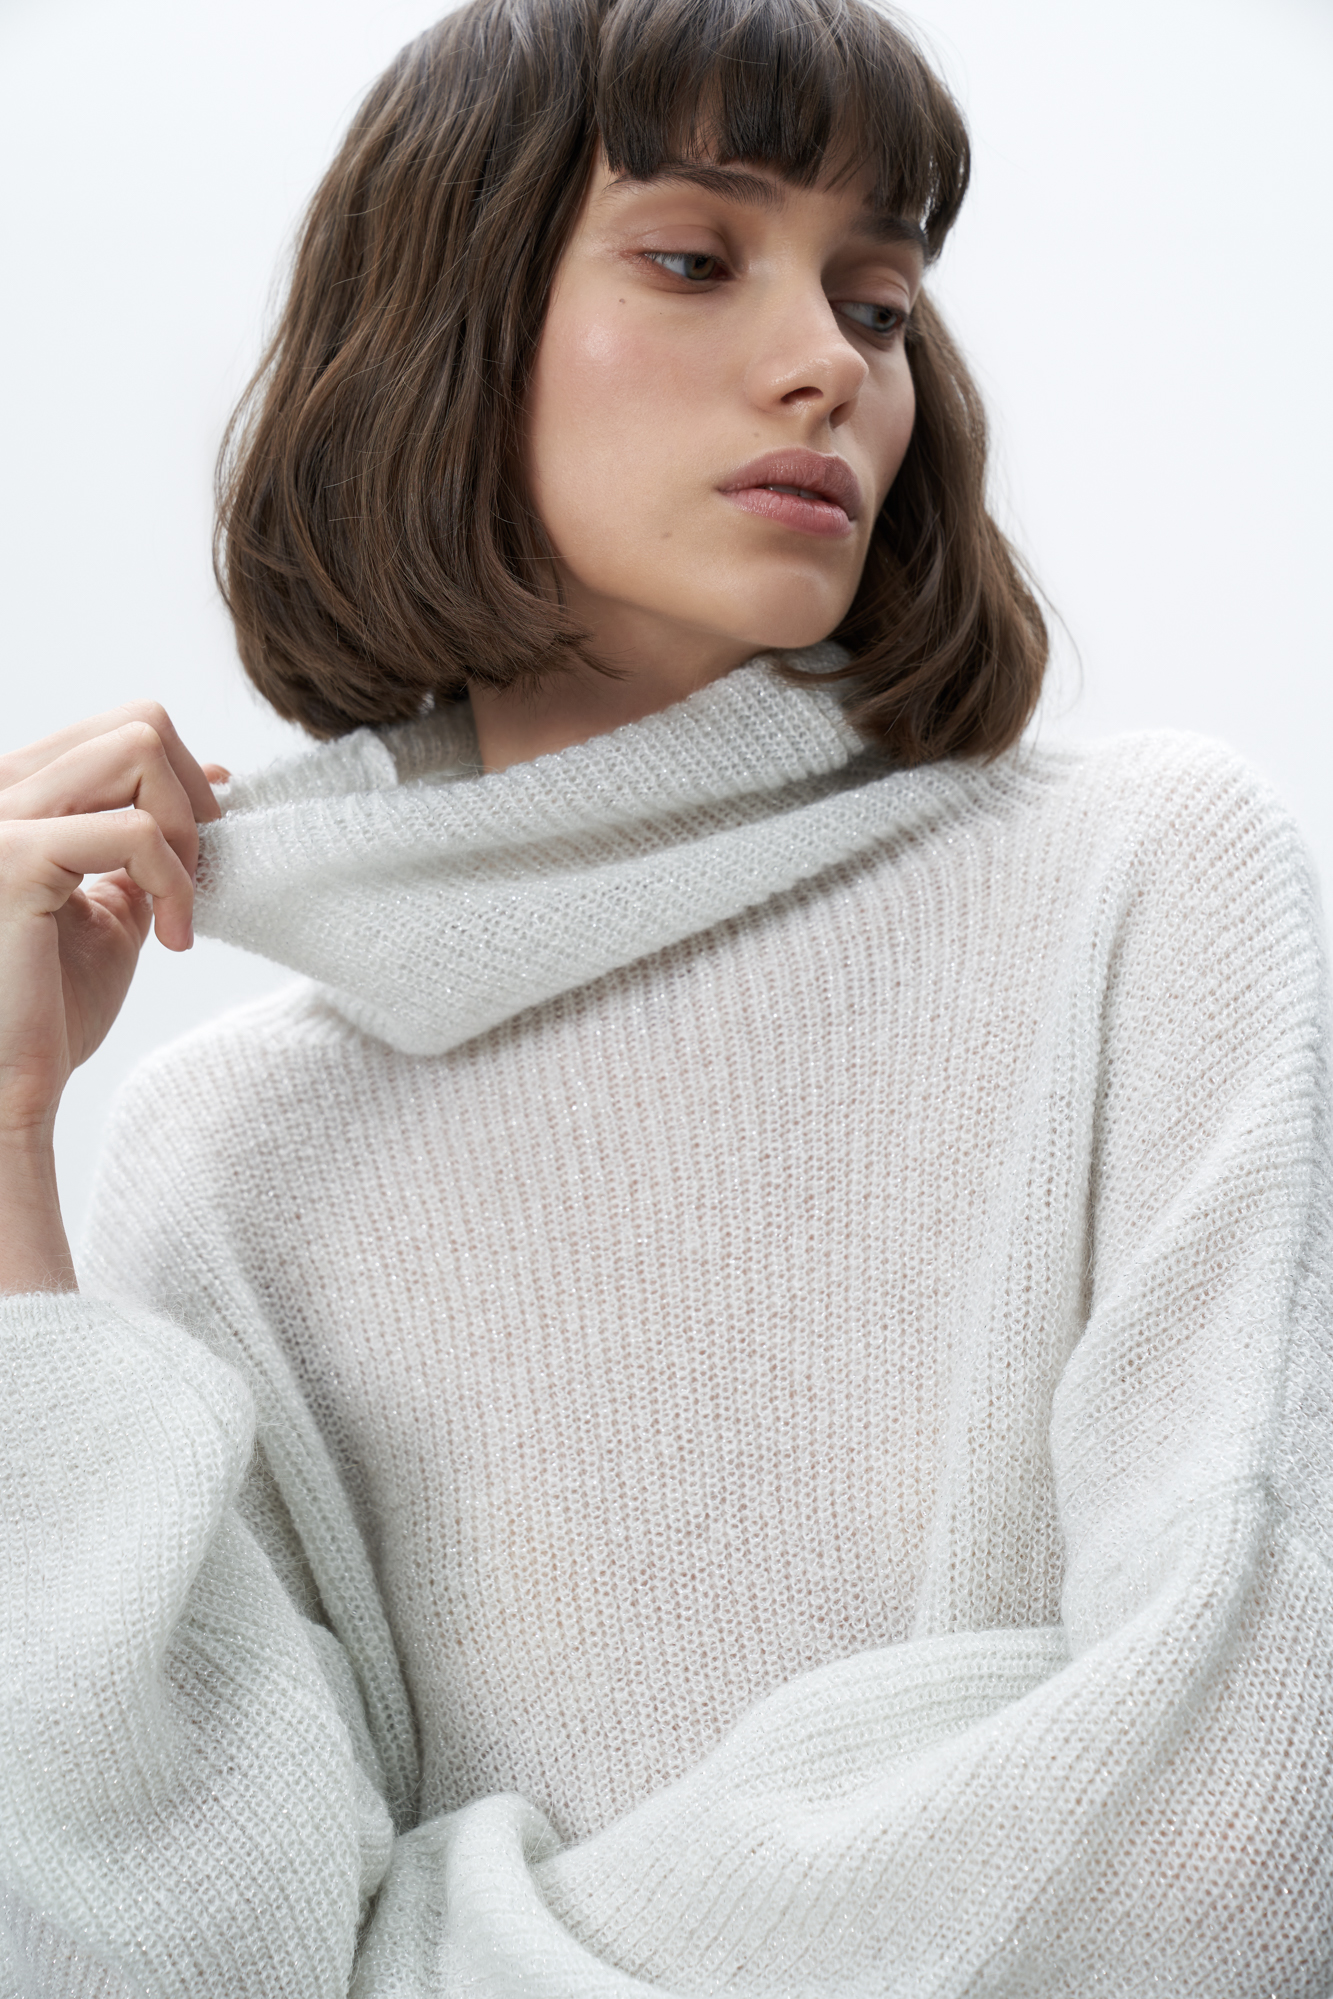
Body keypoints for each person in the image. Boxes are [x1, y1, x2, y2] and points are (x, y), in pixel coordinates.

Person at [2, 0, 1331, 1990]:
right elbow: (187, 1951)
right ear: (445, 323)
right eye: (698, 259)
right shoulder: (233, 1154)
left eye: (877, 304)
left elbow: (1246, 1813)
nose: (829, 365)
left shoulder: (1141, 884)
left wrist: (431, 1947)